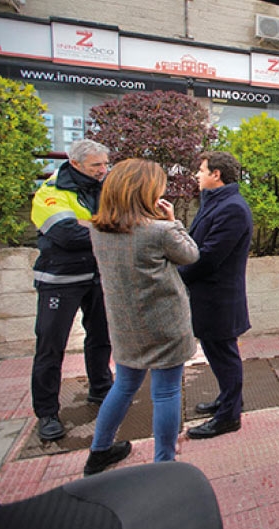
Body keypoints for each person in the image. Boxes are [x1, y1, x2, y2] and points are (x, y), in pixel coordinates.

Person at [84, 158, 199, 475]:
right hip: (165, 325)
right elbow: (191, 255)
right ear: (144, 192)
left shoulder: (98, 229)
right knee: (166, 392)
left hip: (125, 325)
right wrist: (174, 221)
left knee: (123, 386)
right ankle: (164, 463)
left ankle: (99, 451)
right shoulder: (160, 231)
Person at [30, 139, 114, 441]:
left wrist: (89, 224)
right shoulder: (51, 191)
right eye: (96, 165)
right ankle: (47, 413)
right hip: (60, 279)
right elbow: (67, 236)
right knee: (51, 347)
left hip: (98, 275)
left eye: (105, 164)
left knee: (101, 338)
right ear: (75, 164)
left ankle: (101, 389)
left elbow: (127, 221)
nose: (103, 170)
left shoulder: (104, 186)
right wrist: (107, 226)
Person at [179, 151, 253, 439]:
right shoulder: (215, 202)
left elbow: (209, 258)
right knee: (217, 353)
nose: (197, 175)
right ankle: (228, 399)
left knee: (225, 355)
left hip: (219, 299)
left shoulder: (232, 208)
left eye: (202, 170)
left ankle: (229, 417)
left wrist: (178, 275)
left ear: (216, 174)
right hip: (208, 297)